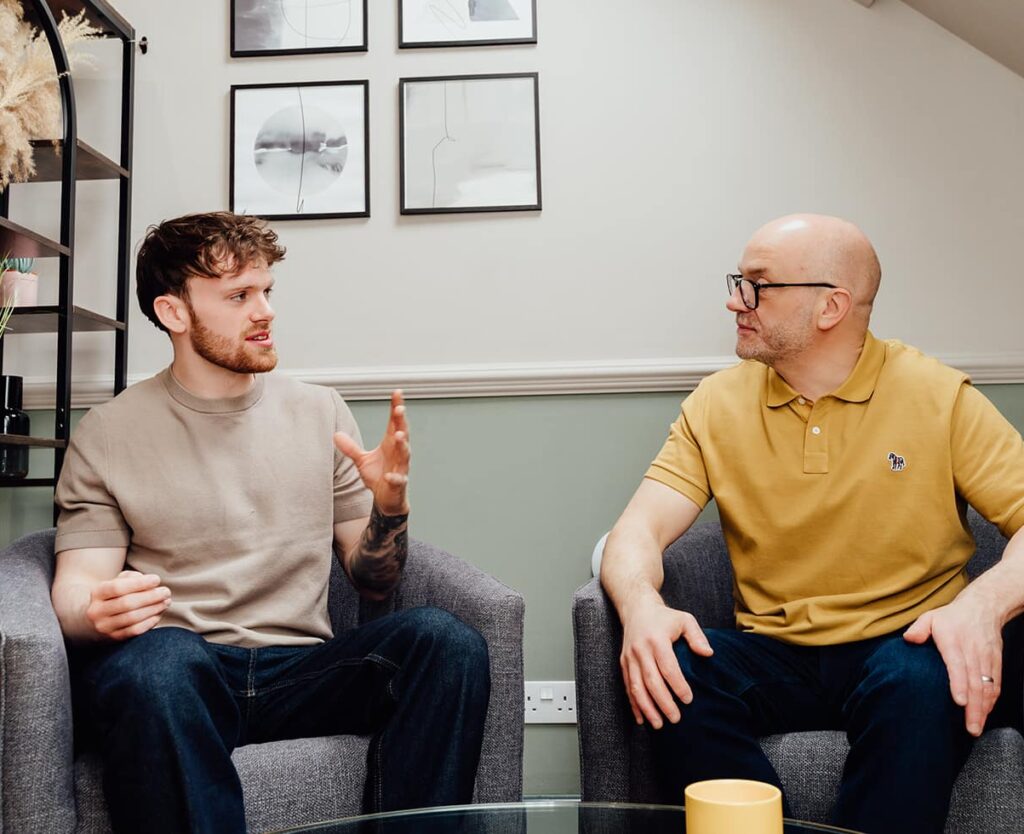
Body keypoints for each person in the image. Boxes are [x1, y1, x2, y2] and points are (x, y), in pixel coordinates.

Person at [50, 211, 491, 834]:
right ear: (174, 313)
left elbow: (373, 580)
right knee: (156, 665)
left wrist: (390, 507)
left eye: (266, 291)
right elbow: (75, 590)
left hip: (302, 670)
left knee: (446, 642)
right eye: (239, 296)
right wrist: (95, 612)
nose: (266, 312)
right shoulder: (109, 433)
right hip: (186, 673)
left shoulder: (319, 411)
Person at [600, 214, 1024, 834]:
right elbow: (635, 534)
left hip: (906, 642)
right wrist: (642, 608)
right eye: (738, 282)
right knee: (675, 665)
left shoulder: (938, 395)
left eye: (757, 285)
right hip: (776, 653)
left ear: (831, 306)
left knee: (923, 674)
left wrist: (982, 606)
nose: (735, 301)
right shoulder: (716, 404)